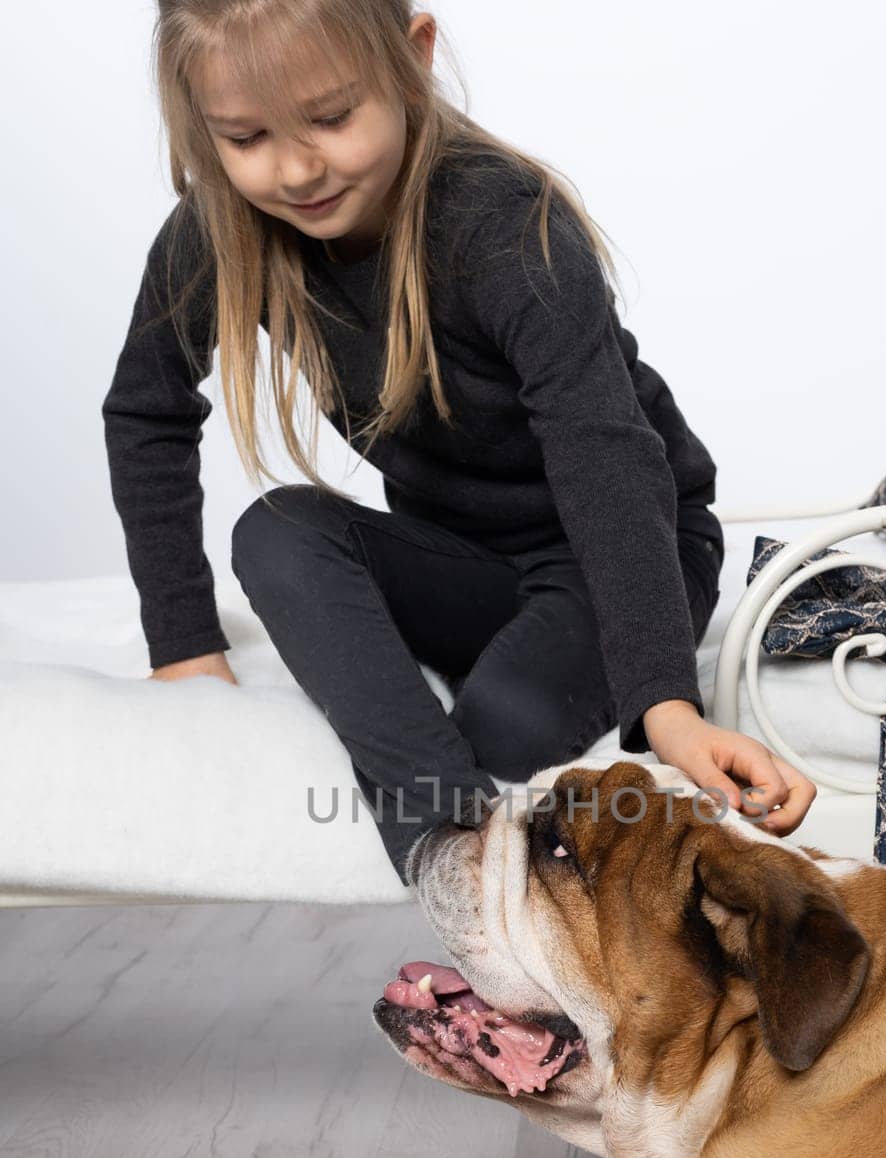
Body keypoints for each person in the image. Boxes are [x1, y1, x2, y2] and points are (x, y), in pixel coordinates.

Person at [103, 0, 817, 886]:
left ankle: (465, 876)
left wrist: (664, 705)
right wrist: (183, 647)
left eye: (330, 118)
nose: (295, 168)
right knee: (276, 530)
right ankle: (466, 876)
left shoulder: (504, 223)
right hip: (462, 561)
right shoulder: (218, 231)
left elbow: (605, 458)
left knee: (508, 722)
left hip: (619, 550)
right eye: (246, 138)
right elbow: (145, 412)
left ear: (415, 56)